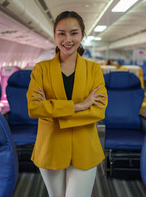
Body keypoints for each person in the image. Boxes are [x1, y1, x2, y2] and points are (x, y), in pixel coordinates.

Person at [26, 11, 108, 197]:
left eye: (74, 33)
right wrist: (79, 106)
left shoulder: (94, 70)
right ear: (54, 35)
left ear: (82, 35)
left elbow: (98, 112)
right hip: (51, 148)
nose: (68, 39)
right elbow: (34, 108)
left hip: (84, 149)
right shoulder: (41, 69)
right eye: (61, 33)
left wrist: (53, 112)